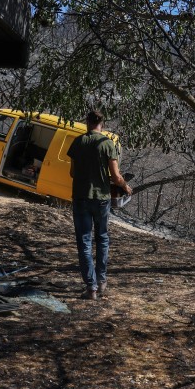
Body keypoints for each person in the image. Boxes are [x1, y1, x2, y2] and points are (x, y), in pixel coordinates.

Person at [67, 109, 132, 300]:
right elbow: (116, 176)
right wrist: (126, 187)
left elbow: (72, 173)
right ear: (102, 124)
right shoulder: (107, 143)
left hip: (80, 197)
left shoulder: (78, 142)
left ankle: (91, 288)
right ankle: (102, 281)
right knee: (102, 238)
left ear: (87, 122)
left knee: (84, 242)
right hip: (101, 199)